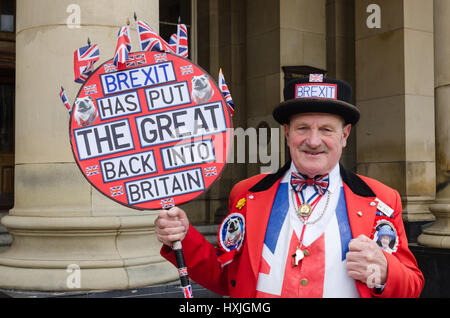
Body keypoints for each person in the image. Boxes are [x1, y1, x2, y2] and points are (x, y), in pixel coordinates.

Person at [155, 75, 424, 298]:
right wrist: (184, 236)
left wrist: (385, 271)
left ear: (345, 135)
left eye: (327, 130)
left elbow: (413, 285)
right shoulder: (247, 194)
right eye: (303, 128)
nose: (314, 141)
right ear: (286, 133)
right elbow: (226, 277)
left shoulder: (381, 200)